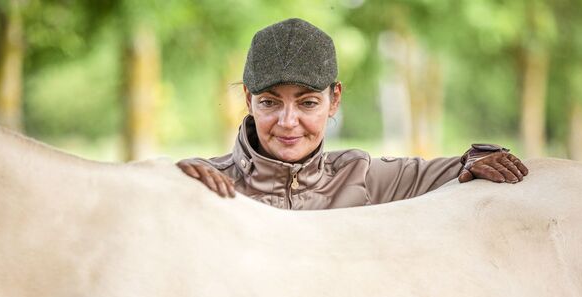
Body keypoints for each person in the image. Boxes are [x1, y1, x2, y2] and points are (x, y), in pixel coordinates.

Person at [176, 18, 528, 210]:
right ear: (248, 99)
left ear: (335, 100)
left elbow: (446, 168)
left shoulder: (362, 175)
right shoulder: (207, 182)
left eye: (307, 103)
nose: (287, 121)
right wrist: (172, 179)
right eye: (270, 102)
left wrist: (475, 159)